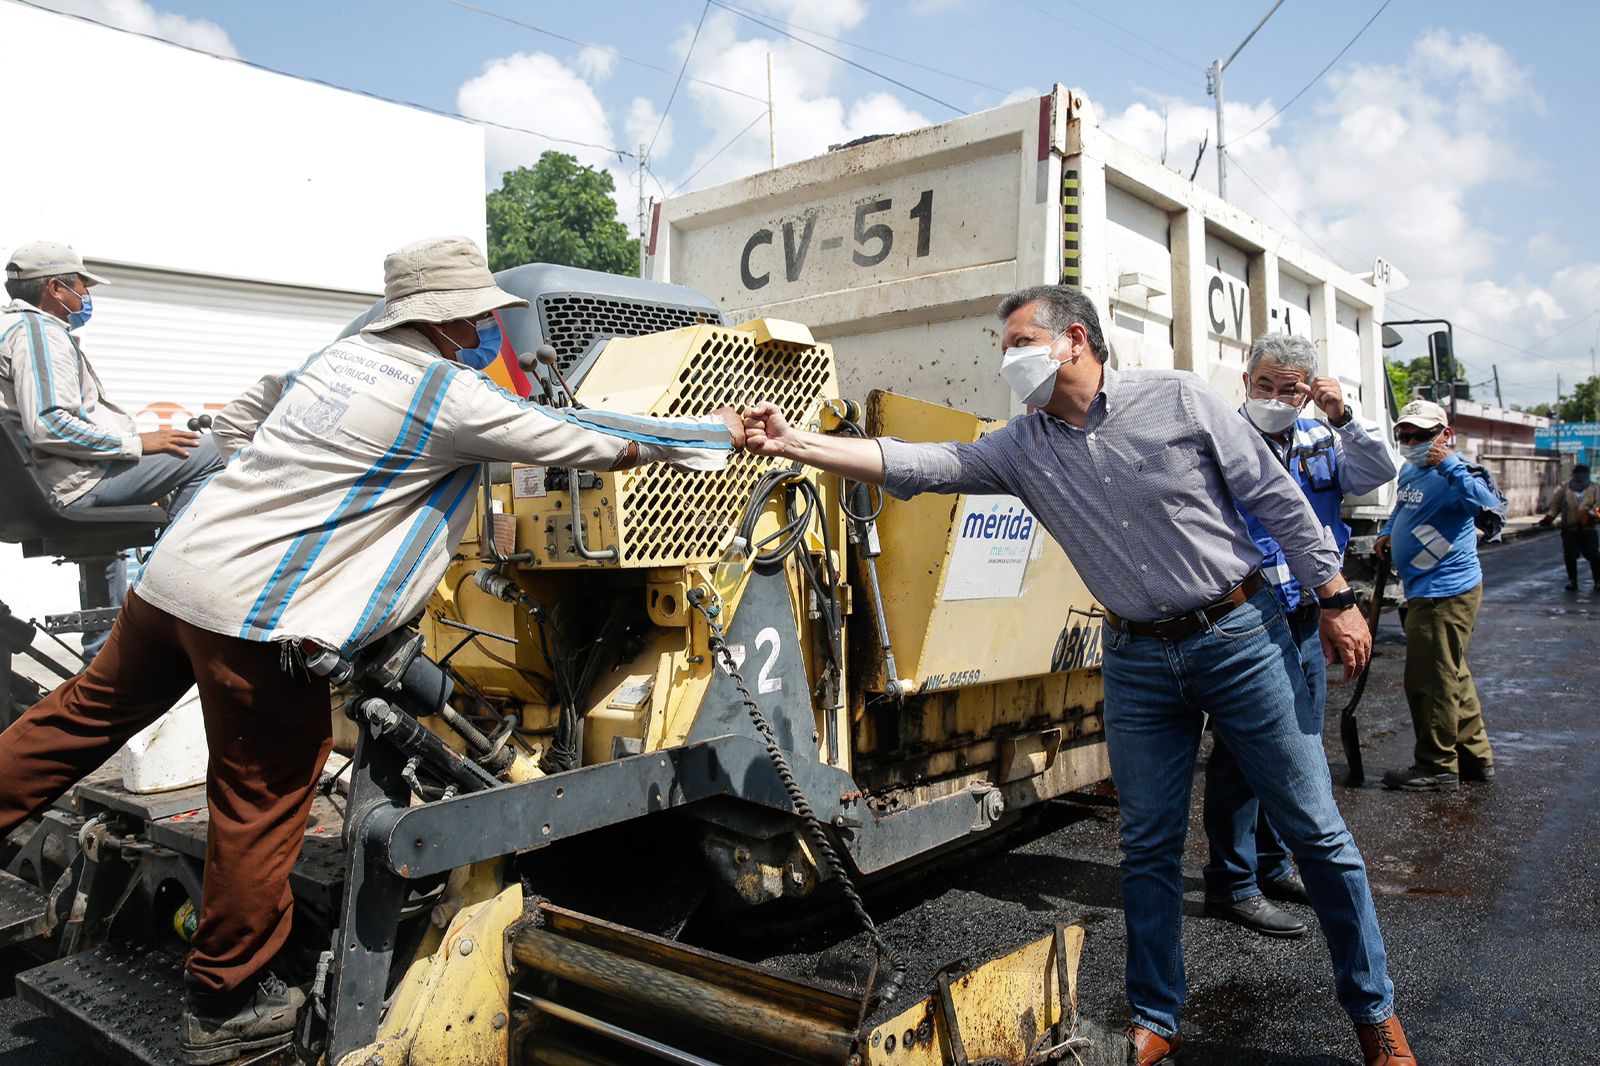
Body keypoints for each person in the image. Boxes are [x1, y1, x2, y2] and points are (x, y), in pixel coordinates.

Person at [0, 236, 743, 1064]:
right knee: (261, 796)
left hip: (173, 578)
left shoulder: (337, 357)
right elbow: (583, 435)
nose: (489, 327)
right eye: (482, 316)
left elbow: (236, 421)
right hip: (259, 620)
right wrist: (720, 435)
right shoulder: (446, 393)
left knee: (74, 719)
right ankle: (226, 1000)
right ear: (457, 320)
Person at [742, 285, 1415, 1066]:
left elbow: (1280, 500)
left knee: (1316, 832)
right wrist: (795, 445)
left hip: (1238, 634)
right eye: (1004, 345)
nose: (1007, 357)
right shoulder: (1023, 445)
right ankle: (1157, 1019)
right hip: (1135, 657)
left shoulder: (1180, 399)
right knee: (1149, 845)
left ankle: (1375, 1017)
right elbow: (924, 463)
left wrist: (1335, 598)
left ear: (1076, 341)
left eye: (1020, 340)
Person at [1202, 333, 1398, 940]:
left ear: (1308, 391)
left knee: (1299, 743)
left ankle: (1272, 863)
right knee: (1240, 753)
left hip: (1307, 612)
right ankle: (1232, 884)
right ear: (1245, 381)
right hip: (1248, 617)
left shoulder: (1320, 437)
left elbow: (1376, 473)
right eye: (1265, 385)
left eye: (1290, 389)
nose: (1276, 397)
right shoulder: (1219, 437)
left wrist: (1345, 418)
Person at [1, 241, 223, 657]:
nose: (85, 297)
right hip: (72, 483)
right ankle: (169, 586)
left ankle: (104, 653)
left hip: (50, 483)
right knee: (211, 449)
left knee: (112, 534)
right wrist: (135, 444)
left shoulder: (12, 330)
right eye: (82, 287)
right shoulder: (39, 334)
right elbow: (50, 424)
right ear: (54, 288)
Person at [1375, 399, 1500, 792]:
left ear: (1445, 435)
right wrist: (1387, 532)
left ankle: (1436, 765)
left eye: (1422, 435)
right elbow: (1402, 509)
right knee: (1452, 676)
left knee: (1430, 680)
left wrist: (1448, 462)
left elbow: (1486, 506)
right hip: (1422, 590)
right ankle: (1476, 758)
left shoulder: (1458, 472)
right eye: (1404, 435)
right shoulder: (1411, 471)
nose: (1411, 442)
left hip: (1446, 593)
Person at [1537, 463, 1599, 590]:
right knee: (1570, 556)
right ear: (1574, 475)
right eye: (1578, 473)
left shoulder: (1595, 489)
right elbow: (1555, 506)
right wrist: (1549, 518)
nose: (1580, 477)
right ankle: (1572, 581)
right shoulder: (1565, 489)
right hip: (1569, 530)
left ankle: (1598, 581)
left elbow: (1599, 506)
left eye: (1583, 473)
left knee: (1594, 556)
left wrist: (1591, 515)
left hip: (1588, 529)